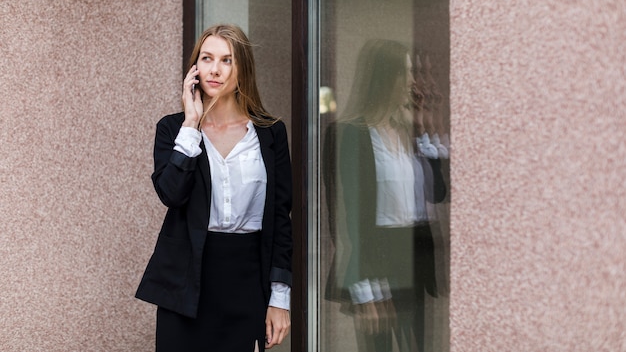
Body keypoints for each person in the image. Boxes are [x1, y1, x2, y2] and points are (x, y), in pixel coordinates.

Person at [135, 24, 293, 352]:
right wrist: (191, 125)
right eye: (207, 58)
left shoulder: (270, 133)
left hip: (247, 281)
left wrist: (280, 298)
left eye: (226, 60)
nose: (215, 70)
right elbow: (171, 193)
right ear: (195, 67)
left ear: (242, 68)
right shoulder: (173, 129)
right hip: (185, 284)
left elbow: (280, 218)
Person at [323, 39, 445, 351]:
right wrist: (364, 287)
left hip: (416, 258)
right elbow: (349, 214)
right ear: (384, 78)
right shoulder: (350, 134)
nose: (412, 81)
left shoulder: (409, 132)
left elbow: (439, 192)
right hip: (377, 258)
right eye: (405, 73)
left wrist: (424, 128)